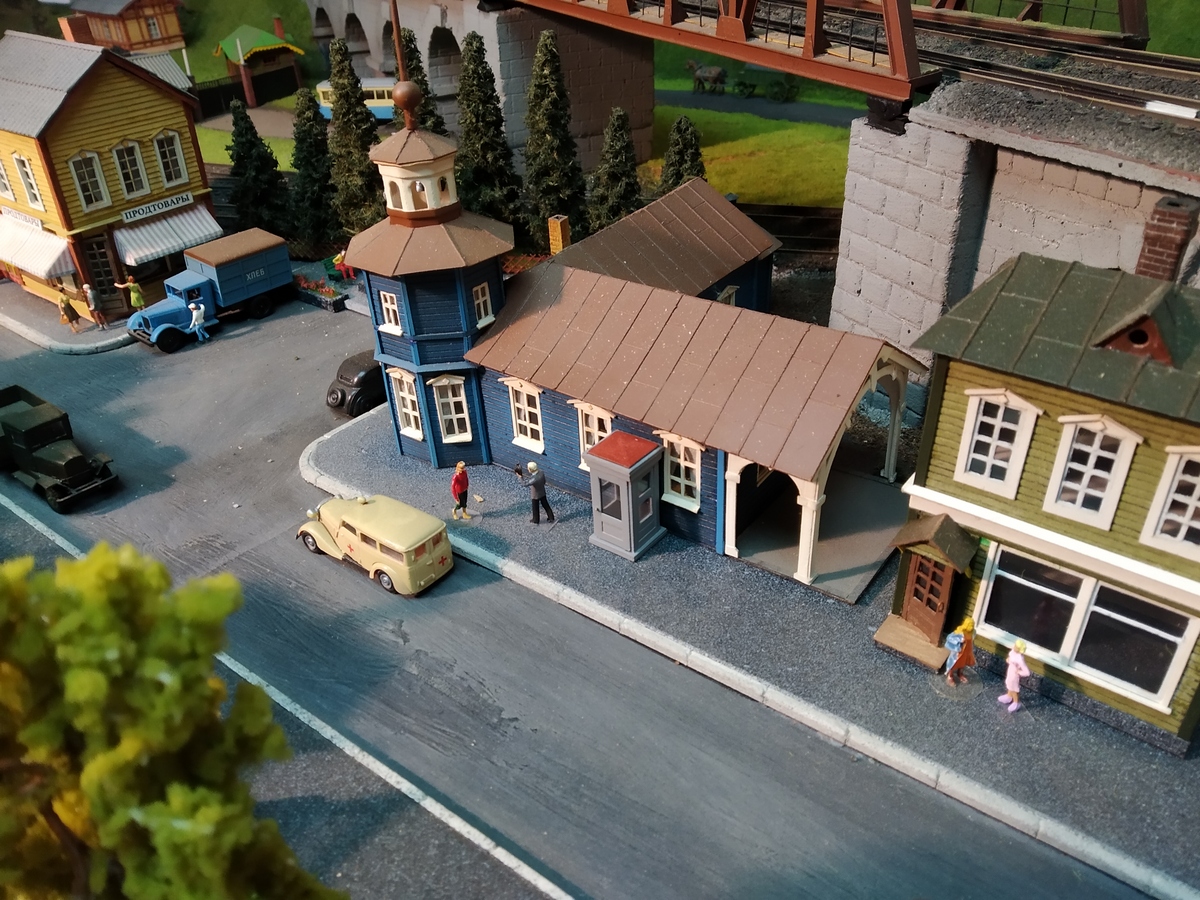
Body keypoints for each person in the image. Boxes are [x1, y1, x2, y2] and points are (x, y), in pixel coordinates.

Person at [998, 639, 1031, 712]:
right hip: (1010, 671)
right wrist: (1008, 660)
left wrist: (1019, 672)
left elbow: (1027, 672)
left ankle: (1016, 702)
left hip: (1014, 675)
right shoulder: (1013, 652)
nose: (1014, 647)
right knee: (1009, 684)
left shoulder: (1020, 659)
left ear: (1020, 649)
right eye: (1015, 645)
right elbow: (1011, 659)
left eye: (1017, 647)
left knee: (1014, 689)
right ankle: (1009, 696)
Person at [943, 618, 976, 686]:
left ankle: (960, 673)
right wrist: (959, 640)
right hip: (959, 652)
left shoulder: (973, 632)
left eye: (972, 625)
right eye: (970, 625)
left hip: (967, 651)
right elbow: (949, 637)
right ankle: (950, 675)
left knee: (963, 663)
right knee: (953, 663)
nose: (971, 627)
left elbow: (971, 640)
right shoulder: (960, 632)